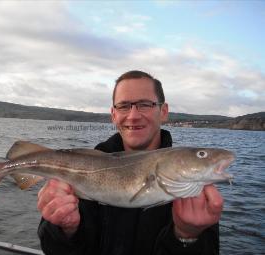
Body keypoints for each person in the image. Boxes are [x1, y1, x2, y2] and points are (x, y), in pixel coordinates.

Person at [37, 70, 222, 255]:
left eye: (144, 104)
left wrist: (187, 236)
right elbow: (53, 250)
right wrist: (65, 230)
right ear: (113, 114)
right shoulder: (82, 168)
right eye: (124, 106)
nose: (133, 116)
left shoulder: (191, 183)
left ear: (163, 111)